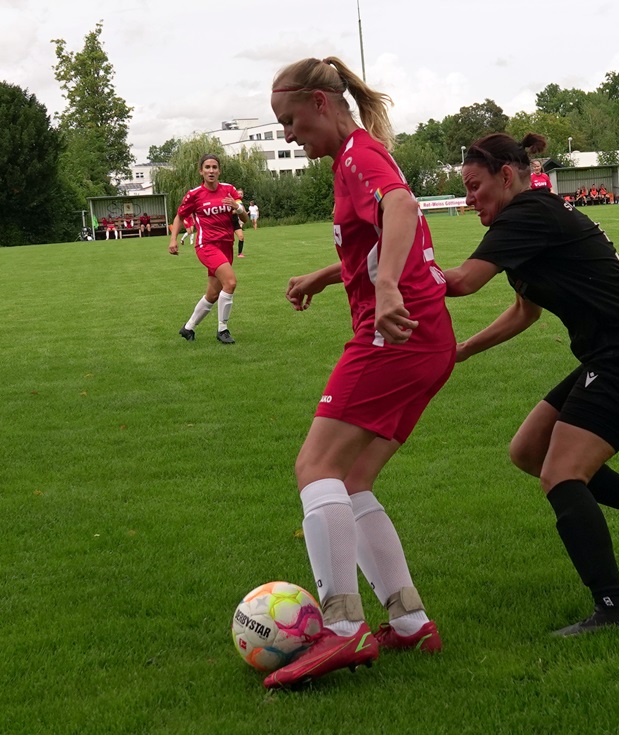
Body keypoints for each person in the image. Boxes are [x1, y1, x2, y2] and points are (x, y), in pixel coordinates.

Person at [443, 131, 619, 637]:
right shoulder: (529, 219)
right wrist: (463, 350)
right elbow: (525, 311)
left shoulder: (528, 214)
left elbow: (462, 282)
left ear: (505, 176)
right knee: (529, 450)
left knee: (561, 473)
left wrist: (380, 273)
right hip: (618, 351)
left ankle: (614, 611)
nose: (469, 199)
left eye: (474, 186)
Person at [264, 55, 456, 690]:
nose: (288, 134)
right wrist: (330, 275)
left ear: (320, 103)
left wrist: (388, 284)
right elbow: (376, 232)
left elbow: (401, 207)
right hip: (426, 341)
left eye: (290, 121)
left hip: (393, 337)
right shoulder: (354, 156)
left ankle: (342, 628)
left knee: (315, 467)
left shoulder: (359, 156)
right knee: (351, 480)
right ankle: (409, 621)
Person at [168, 153, 247, 344]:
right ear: (201, 171)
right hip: (207, 245)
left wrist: (237, 208)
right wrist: (173, 240)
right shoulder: (194, 194)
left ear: (219, 170)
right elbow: (180, 216)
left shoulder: (229, 190)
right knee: (230, 282)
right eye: (207, 167)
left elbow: (244, 218)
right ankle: (223, 330)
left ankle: (188, 328)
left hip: (226, 245)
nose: (211, 171)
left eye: (214, 167)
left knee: (212, 294)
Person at [232, 189, 247, 257]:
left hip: (235, 222)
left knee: (241, 237)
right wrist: (238, 210)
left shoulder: (239, 201)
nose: (240, 195)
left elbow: (242, 211)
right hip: (228, 223)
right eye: (238, 193)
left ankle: (240, 253)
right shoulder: (232, 201)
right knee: (229, 240)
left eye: (241, 194)